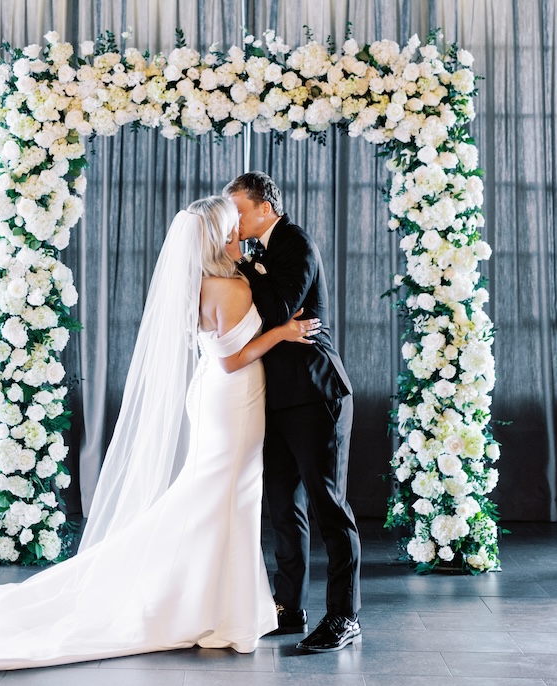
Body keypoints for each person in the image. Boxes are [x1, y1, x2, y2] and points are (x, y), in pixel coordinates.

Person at [0, 196, 320, 674]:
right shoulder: (229, 289)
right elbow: (231, 358)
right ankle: (211, 608)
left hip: (219, 398)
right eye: (230, 232)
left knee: (223, 495)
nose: (238, 238)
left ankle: (219, 605)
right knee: (221, 494)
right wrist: (282, 333)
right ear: (215, 239)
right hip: (232, 396)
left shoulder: (207, 282)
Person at [223, 171, 362, 652]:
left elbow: (281, 310)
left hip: (315, 392)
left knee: (329, 505)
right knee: (284, 507)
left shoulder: (295, 242)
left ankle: (344, 617)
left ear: (265, 207)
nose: (233, 220)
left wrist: (244, 268)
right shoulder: (258, 250)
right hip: (276, 397)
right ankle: (289, 608)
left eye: (238, 209)